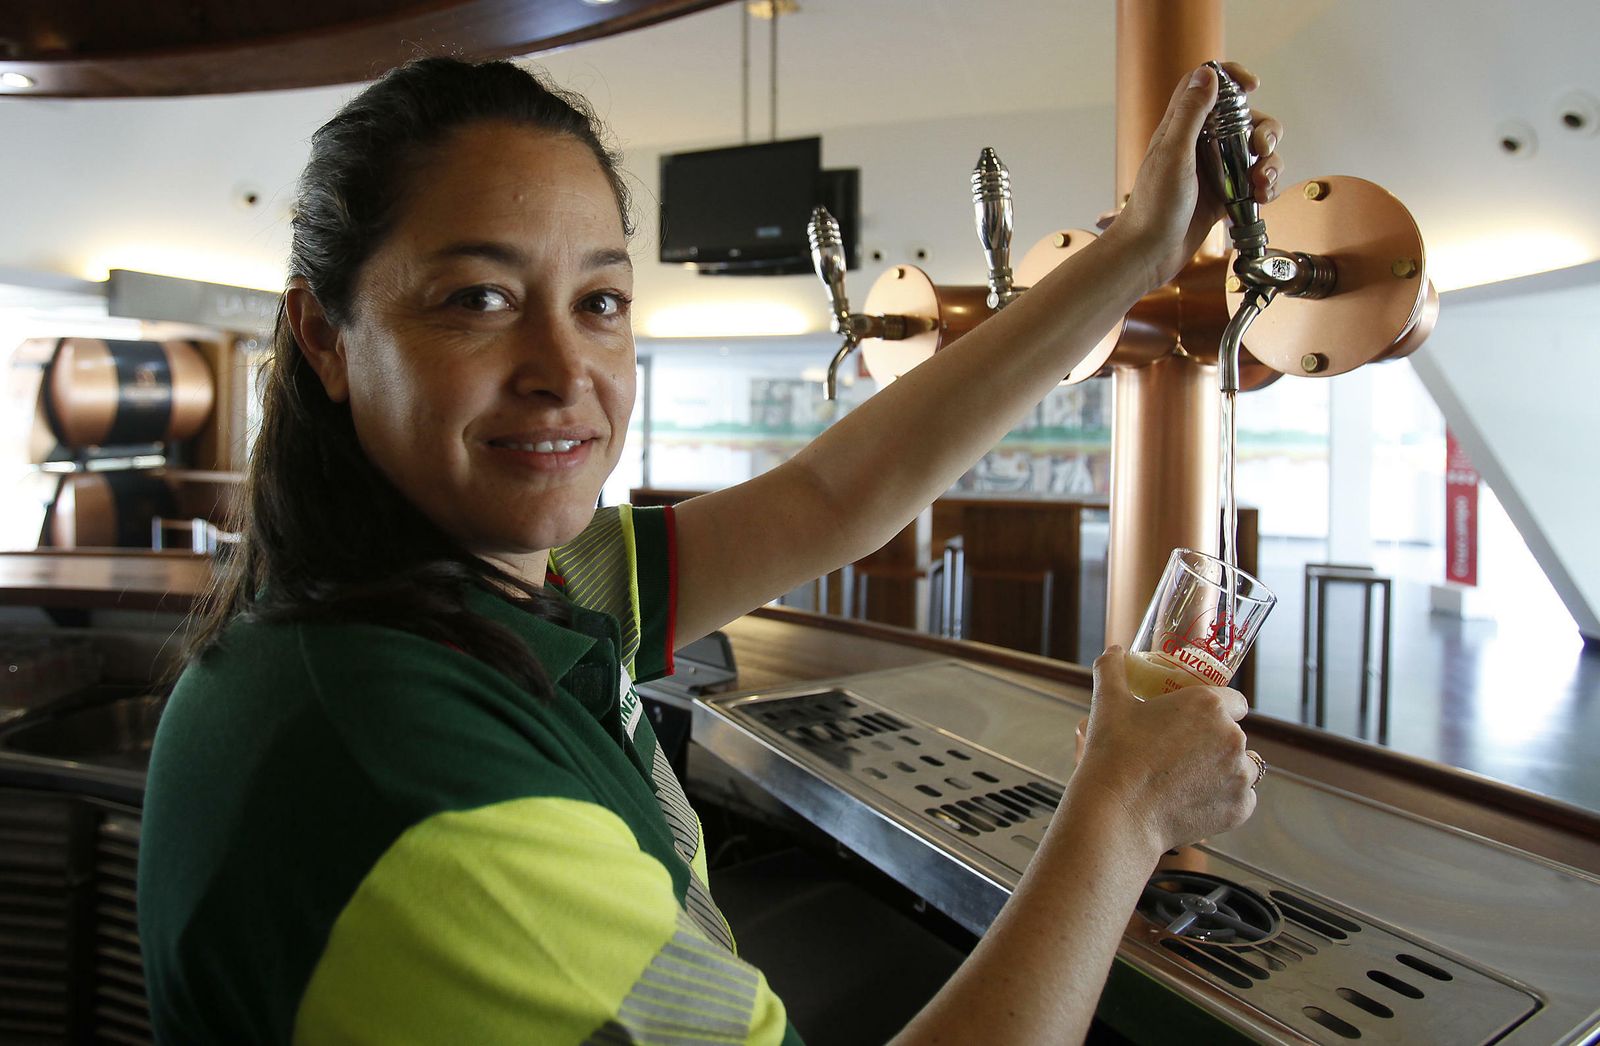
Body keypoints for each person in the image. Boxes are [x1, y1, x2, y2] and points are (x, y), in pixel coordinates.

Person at [137, 55, 1281, 1045]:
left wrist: (1136, 251)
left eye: (599, 301)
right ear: (325, 337)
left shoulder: (466, 595)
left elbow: (839, 489)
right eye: (478, 297)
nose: (561, 367)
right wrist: (1121, 812)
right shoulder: (415, 779)